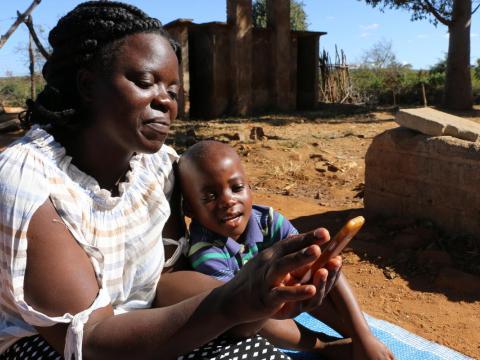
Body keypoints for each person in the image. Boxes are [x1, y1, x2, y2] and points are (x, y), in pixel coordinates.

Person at [0, 2, 343, 359]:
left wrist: (255, 297)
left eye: (174, 90)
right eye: (146, 82)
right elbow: (91, 341)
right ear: (88, 84)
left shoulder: (157, 167)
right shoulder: (28, 184)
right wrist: (232, 301)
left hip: (144, 321)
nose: (165, 101)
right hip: (56, 344)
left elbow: (170, 275)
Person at [178, 140, 396, 360]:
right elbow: (238, 317)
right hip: (247, 315)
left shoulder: (268, 220)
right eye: (211, 196)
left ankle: (361, 338)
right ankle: (325, 346)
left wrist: (363, 337)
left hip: (281, 293)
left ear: (249, 187)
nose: (228, 200)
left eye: (236, 188)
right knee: (260, 313)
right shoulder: (205, 251)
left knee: (320, 266)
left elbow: (317, 263)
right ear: (189, 209)